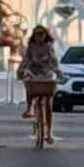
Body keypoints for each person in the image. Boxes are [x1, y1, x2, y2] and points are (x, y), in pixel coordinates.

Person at [21, 17, 59, 147]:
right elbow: (25, 60)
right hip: (34, 74)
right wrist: (23, 69)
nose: (39, 37)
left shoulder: (49, 47)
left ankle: (48, 131)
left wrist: (58, 71)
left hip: (46, 75)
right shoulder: (31, 47)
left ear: (45, 35)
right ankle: (29, 108)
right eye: (37, 34)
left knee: (48, 102)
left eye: (41, 34)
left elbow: (54, 62)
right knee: (29, 85)